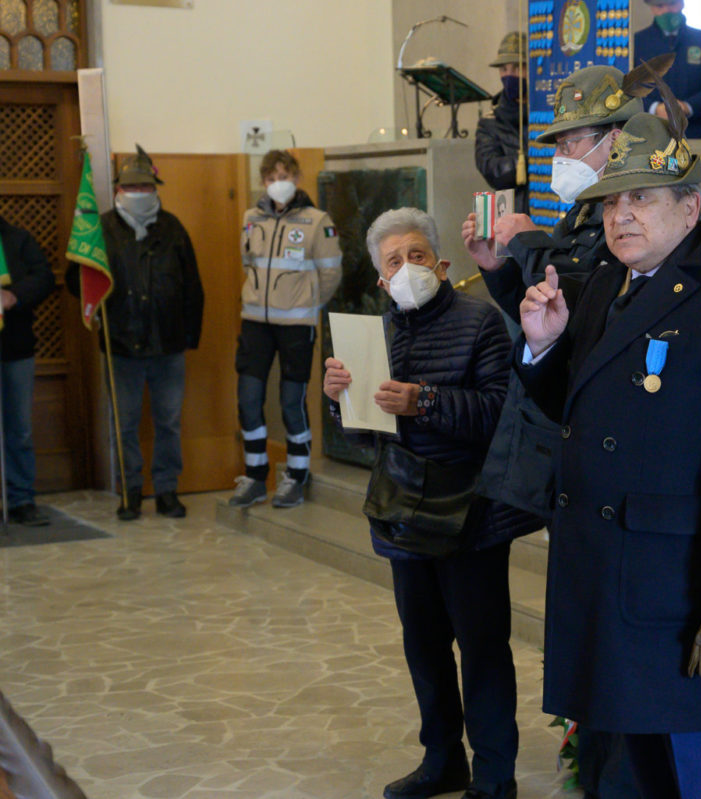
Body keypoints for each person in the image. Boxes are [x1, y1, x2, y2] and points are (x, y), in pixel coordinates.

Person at [516, 110, 701, 798]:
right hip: (606, 586)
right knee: (619, 780)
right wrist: (545, 347)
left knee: (695, 780)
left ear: (690, 207)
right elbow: (584, 413)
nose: (621, 216)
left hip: (679, 594)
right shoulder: (605, 287)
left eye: (641, 197)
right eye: (612, 201)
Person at [463, 64, 645, 799]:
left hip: (612, 453)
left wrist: (529, 242)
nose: (564, 155)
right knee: (581, 633)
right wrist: (502, 269)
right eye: (560, 142)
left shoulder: (631, 220)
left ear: (617, 140)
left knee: (612, 636)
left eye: (575, 141)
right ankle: (594, 764)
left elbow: (594, 307)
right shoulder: (579, 218)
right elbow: (547, 319)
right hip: (565, 440)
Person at [323, 209, 535, 799]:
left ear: (441, 265)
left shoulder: (480, 321)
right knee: (424, 646)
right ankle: (442, 760)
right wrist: (340, 402)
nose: (407, 268)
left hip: (473, 512)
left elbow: (499, 414)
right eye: (394, 261)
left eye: (417, 255)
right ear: (380, 280)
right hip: (403, 509)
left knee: (482, 648)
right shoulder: (373, 336)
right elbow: (365, 437)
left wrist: (427, 401)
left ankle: (494, 776)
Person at [66, 146, 203, 520]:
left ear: (155, 188)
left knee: (168, 423)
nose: (138, 192)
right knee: (124, 424)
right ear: (118, 190)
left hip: (168, 345)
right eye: (131, 187)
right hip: (121, 344)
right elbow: (78, 282)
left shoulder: (173, 228)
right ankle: (130, 491)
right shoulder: (100, 229)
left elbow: (192, 286)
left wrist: (190, 336)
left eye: (145, 186)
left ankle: (167, 491)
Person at [229, 150, 342, 509]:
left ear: (295, 178)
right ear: (263, 181)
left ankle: (296, 475)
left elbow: (331, 272)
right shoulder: (251, 218)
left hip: (296, 324)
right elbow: (249, 263)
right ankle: (255, 476)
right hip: (255, 323)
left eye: (284, 176)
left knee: (291, 402)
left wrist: (306, 304)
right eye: (271, 177)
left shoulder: (316, 220)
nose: (278, 183)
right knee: (248, 398)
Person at [0, 216, 55, 526]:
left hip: (15, 348)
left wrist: (14, 295)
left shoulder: (18, 238)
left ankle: (20, 499)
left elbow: (44, 278)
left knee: (18, 429)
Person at [633, 1, 701, 139]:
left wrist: (688, 107)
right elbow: (628, 87)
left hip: (697, 132)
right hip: (651, 133)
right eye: (660, 6)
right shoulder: (637, 42)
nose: (666, 11)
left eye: (672, 4)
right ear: (652, 8)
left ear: (682, 4)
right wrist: (654, 108)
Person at [476, 32, 529, 214]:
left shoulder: (545, 114)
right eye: (504, 69)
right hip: (511, 212)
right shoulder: (490, 122)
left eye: (517, 67)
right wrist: (531, 160)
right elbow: (492, 170)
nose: (509, 75)